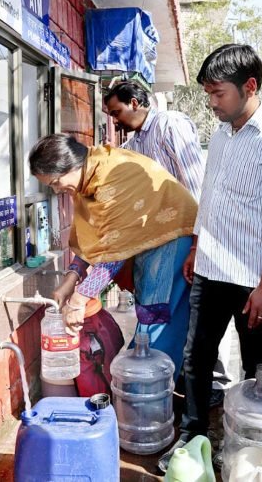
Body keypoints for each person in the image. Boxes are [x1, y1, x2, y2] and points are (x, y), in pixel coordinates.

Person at [157, 43, 262, 473]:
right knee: (196, 356)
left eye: (218, 93)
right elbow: (210, 197)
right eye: (208, 94)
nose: (213, 103)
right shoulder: (220, 135)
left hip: (251, 278)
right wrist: (196, 246)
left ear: (250, 86)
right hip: (208, 268)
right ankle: (194, 435)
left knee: (258, 362)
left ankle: (257, 445)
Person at [105, 81, 233, 408]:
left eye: (117, 112)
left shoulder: (168, 124)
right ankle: (168, 385)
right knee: (169, 314)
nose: (115, 120)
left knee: (165, 315)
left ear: (135, 102)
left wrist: (196, 244)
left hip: (182, 238)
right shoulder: (134, 144)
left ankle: (156, 389)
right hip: (155, 242)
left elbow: (196, 185)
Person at [29, 133, 198, 381]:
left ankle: (147, 390)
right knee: (149, 315)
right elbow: (93, 240)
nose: (57, 190)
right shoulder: (87, 179)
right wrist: (70, 280)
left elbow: (113, 252)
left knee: (157, 317)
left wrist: (79, 299)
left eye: (56, 182)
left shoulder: (112, 176)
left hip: (170, 238)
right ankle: (152, 387)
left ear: (71, 165)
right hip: (145, 243)